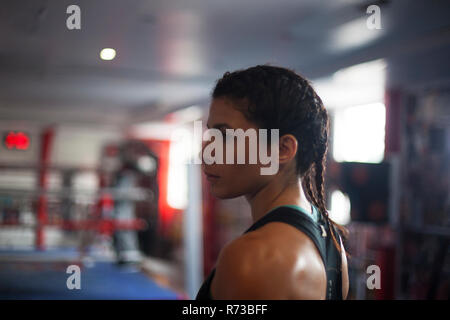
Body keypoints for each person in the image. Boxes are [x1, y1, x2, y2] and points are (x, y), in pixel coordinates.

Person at [196, 65, 349, 300]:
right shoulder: (332, 240)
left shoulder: (252, 257)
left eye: (225, 136)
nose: (206, 152)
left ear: (282, 149)